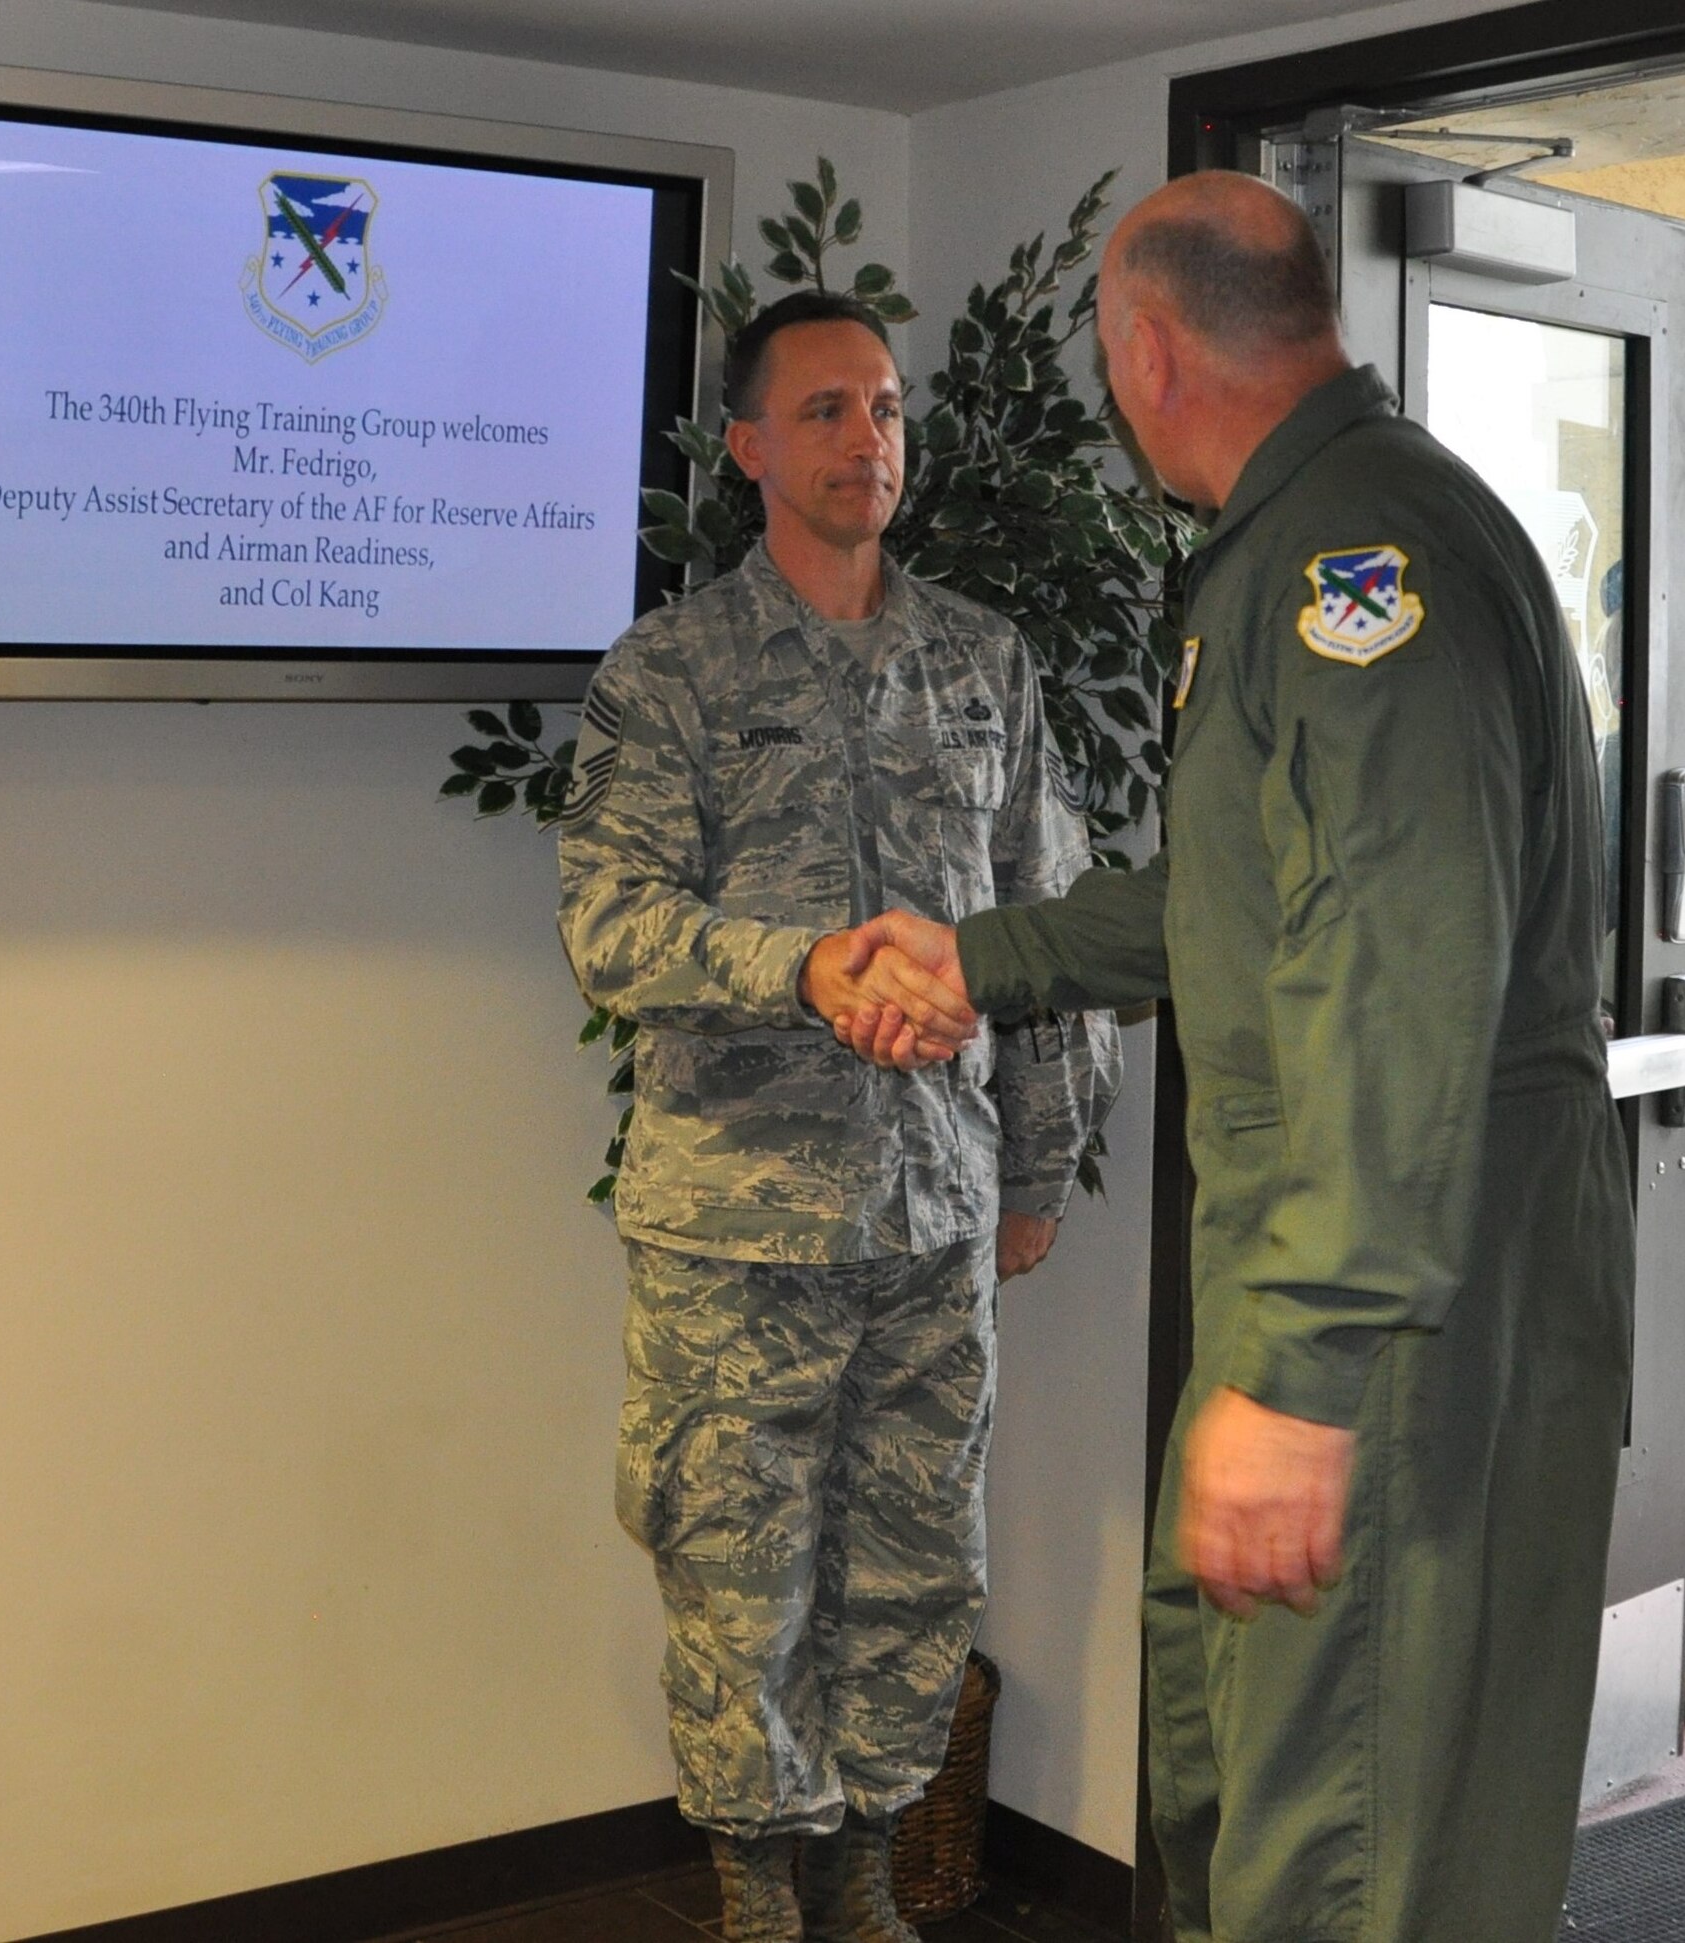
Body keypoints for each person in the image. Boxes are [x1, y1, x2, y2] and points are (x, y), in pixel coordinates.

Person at [836, 172, 1635, 1943]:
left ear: (1145, 349)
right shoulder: (1316, 533)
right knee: (1253, 1786)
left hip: (1395, 1312)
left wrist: (1312, 1366)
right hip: (1338, 1278)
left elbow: (1399, 973)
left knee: (1343, 1845)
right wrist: (985, 956)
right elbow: (1247, 896)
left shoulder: (1370, 569)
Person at [556, 290, 1120, 1943]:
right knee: (738, 1579)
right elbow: (611, 929)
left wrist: (1036, 1169)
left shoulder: (982, 661)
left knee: (915, 1568)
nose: (865, 439)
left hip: (936, 1219)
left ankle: (869, 1877)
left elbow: (1049, 930)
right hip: (740, 1229)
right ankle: (756, 1896)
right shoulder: (669, 672)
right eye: (823, 411)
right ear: (746, 449)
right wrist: (803, 968)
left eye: (884, 409)